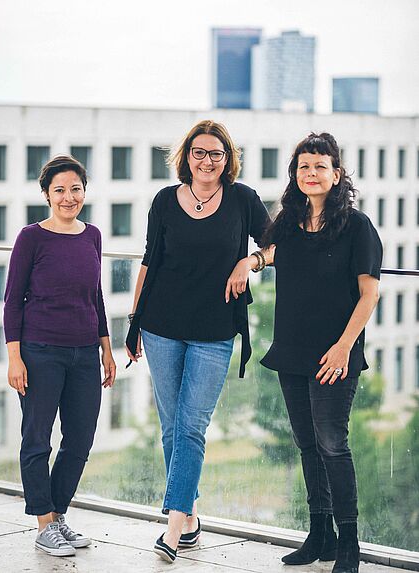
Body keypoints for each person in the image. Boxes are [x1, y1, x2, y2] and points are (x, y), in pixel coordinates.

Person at [126, 119, 272, 563]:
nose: (207, 161)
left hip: (214, 331)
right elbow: (150, 261)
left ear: (228, 159)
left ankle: (172, 529)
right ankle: (188, 519)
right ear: (186, 156)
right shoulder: (164, 201)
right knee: (172, 427)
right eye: (199, 152)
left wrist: (249, 262)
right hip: (160, 325)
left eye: (216, 154)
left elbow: (275, 245)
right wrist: (134, 321)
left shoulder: (243, 199)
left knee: (192, 425)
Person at [255, 132, 382, 573]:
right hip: (291, 349)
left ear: (337, 174)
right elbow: (271, 253)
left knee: (332, 445)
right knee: (307, 445)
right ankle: (320, 535)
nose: (311, 173)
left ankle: (349, 543)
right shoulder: (288, 224)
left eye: (320, 166)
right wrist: (251, 262)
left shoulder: (357, 226)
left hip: (335, 354)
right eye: (303, 167)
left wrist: (344, 347)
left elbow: (369, 294)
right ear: (295, 174)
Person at [4, 155, 116, 557]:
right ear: (47, 195)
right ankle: (43, 524)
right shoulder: (31, 238)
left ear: (84, 191)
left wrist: (106, 349)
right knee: (37, 438)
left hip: (85, 353)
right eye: (60, 190)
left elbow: (95, 296)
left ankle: (58, 514)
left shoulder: (93, 236)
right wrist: (15, 358)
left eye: (75, 189)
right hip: (40, 352)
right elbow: (12, 300)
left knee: (80, 438)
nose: (69, 197)